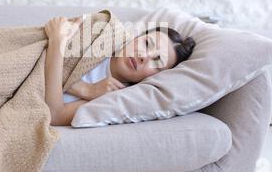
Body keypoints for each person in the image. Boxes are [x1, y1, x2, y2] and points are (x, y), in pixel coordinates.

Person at [44, 15, 196, 126]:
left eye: (157, 62)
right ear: (136, 37)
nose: (144, 56)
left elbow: (54, 115)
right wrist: (83, 88)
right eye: (147, 43)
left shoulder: (117, 96)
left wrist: (57, 44)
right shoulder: (99, 34)